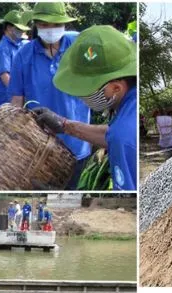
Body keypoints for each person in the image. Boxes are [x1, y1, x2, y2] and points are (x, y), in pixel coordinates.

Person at [35, 25, 138, 191]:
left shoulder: (124, 135)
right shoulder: (130, 101)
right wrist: (65, 125)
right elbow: (111, 135)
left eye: (87, 92)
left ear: (116, 88)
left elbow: (120, 137)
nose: (83, 99)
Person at [9, 3, 92, 188]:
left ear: (64, 25)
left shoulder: (79, 46)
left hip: (77, 142)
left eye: (55, 24)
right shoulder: (23, 56)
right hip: (40, 147)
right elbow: (16, 102)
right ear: (36, 25)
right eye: (44, 25)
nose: (50, 29)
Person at [0, 9, 29, 106]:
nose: (21, 31)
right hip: (6, 96)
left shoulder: (18, 45)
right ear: (9, 28)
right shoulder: (3, 48)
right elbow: (5, 76)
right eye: (18, 29)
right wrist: (18, 94)